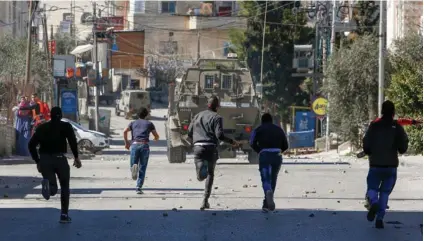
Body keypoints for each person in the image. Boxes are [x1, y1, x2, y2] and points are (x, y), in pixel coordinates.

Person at [28, 106, 81, 223]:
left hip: (45, 160)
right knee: (65, 186)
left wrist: (37, 161)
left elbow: (31, 145)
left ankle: (50, 187)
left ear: (50, 115)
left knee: (52, 187)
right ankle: (64, 215)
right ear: (61, 116)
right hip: (60, 159)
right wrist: (76, 157)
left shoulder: (42, 128)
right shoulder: (66, 126)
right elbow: (72, 141)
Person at [187, 96, 239, 210]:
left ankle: (200, 171)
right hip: (211, 147)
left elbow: (189, 132)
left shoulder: (197, 115)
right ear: (217, 107)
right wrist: (231, 141)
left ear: (207, 105)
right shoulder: (217, 117)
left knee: (201, 170)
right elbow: (219, 135)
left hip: (198, 147)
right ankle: (205, 200)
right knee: (210, 173)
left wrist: (195, 139)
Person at [362, 100, 409, 229]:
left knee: (372, 188)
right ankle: (380, 218)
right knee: (385, 192)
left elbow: (366, 144)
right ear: (393, 113)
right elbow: (403, 148)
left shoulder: (374, 125)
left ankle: (373, 202)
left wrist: (369, 151)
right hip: (391, 167)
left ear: (382, 111)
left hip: (375, 165)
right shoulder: (397, 127)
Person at [249, 113, 288, 212]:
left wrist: (259, 150)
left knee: (265, 178)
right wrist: (279, 151)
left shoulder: (258, 129)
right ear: (271, 120)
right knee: (273, 178)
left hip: (265, 154)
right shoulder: (279, 130)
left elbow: (251, 142)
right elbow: (286, 145)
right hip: (277, 155)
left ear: (262, 121)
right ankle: (266, 204)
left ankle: (267, 191)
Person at [123, 107, 159, 194]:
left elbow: (124, 131)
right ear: (146, 115)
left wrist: (127, 143)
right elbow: (156, 136)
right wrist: (155, 139)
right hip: (144, 145)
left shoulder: (132, 123)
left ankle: (133, 168)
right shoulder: (150, 124)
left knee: (133, 163)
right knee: (142, 167)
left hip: (135, 144)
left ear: (137, 114)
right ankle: (138, 187)